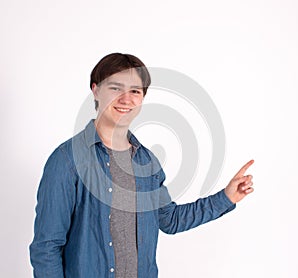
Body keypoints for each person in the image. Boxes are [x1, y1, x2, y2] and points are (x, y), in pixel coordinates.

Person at [29, 53, 254, 278]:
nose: (126, 99)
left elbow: (170, 220)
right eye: (115, 88)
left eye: (135, 91)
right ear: (96, 90)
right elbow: (46, 248)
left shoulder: (146, 161)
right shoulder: (67, 160)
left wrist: (226, 197)